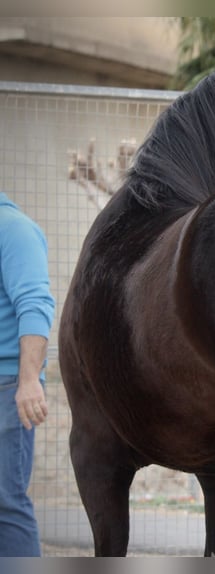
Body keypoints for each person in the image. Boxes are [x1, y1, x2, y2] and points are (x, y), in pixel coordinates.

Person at [0, 192, 55, 557]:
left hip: (5, 388)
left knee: (5, 503)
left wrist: (28, 381)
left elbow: (36, 306)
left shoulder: (14, 230)